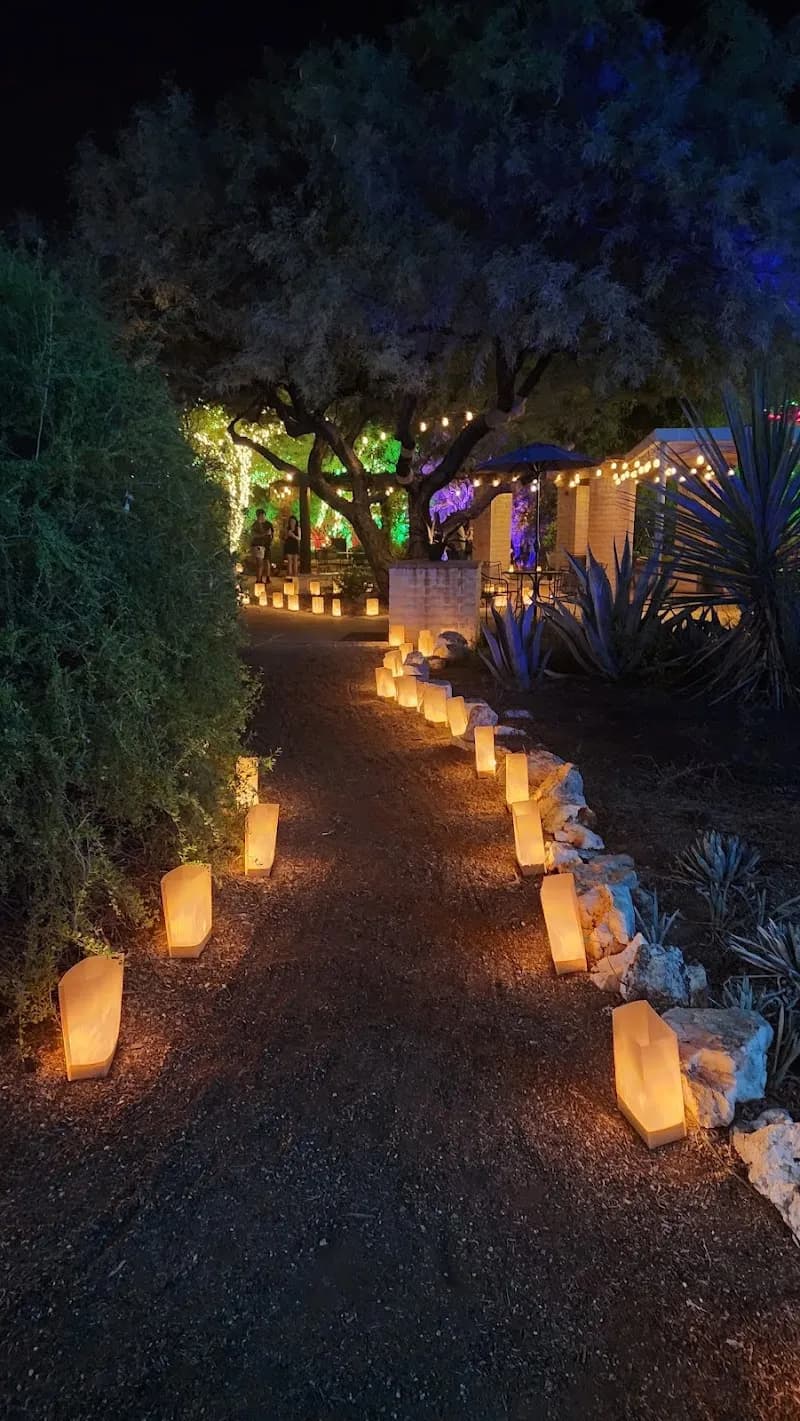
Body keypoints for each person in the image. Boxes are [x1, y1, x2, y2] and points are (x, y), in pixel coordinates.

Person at [250, 509, 274, 584]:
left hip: (266, 545)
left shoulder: (269, 524)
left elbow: (271, 534)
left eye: (263, 515)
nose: (262, 517)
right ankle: (259, 579)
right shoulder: (255, 525)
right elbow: (254, 535)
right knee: (259, 563)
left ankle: (267, 577)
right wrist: (264, 534)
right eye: (260, 516)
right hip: (258, 545)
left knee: (267, 561)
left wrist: (270, 540)